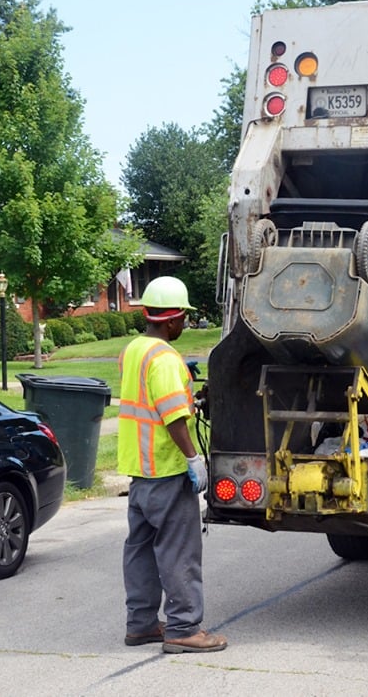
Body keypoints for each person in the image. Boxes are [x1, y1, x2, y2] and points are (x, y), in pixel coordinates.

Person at [117, 276, 227, 653]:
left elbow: (148, 402)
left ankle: (142, 624)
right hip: (166, 471)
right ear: (174, 319)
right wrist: (194, 459)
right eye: (184, 319)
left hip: (139, 474)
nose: (184, 325)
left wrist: (186, 396)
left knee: (141, 551)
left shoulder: (134, 350)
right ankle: (183, 627)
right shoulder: (165, 359)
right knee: (180, 552)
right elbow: (171, 417)